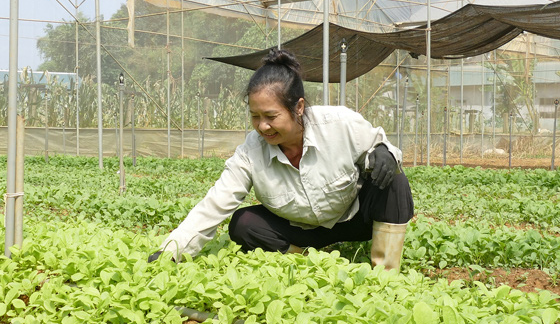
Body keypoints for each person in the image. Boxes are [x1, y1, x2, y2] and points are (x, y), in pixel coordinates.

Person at [150, 48, 414, 269]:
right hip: (300, 229)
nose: (263, 126)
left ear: (298, 107)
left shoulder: (339, 123)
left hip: (354, 219)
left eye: (271, 116)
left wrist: (385, 152)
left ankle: (384, 276)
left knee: (395, 181)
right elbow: (214, 204)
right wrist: (170, 252)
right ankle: (305, 262)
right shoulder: (250, 153)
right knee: (244, 224)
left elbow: (381, 147)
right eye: (255, 116)